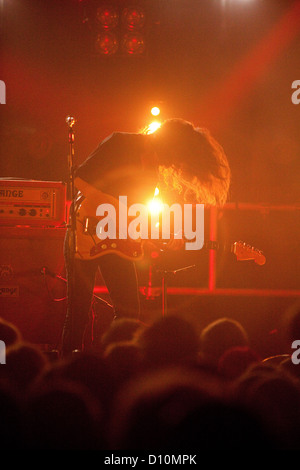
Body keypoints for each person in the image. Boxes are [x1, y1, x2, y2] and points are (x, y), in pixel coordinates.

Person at [62, 118, 231, 354]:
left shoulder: (153, 167)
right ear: (170, 144)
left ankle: (116, 361)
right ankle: (67, 368)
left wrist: (164, 238)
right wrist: (116, 208)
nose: (174, 165)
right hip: (85, 231)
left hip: (118, 241)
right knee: (79, 311)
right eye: (176, 156)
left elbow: (137, 219)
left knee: (129, 311)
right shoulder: (120, 142)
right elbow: (79, 179)